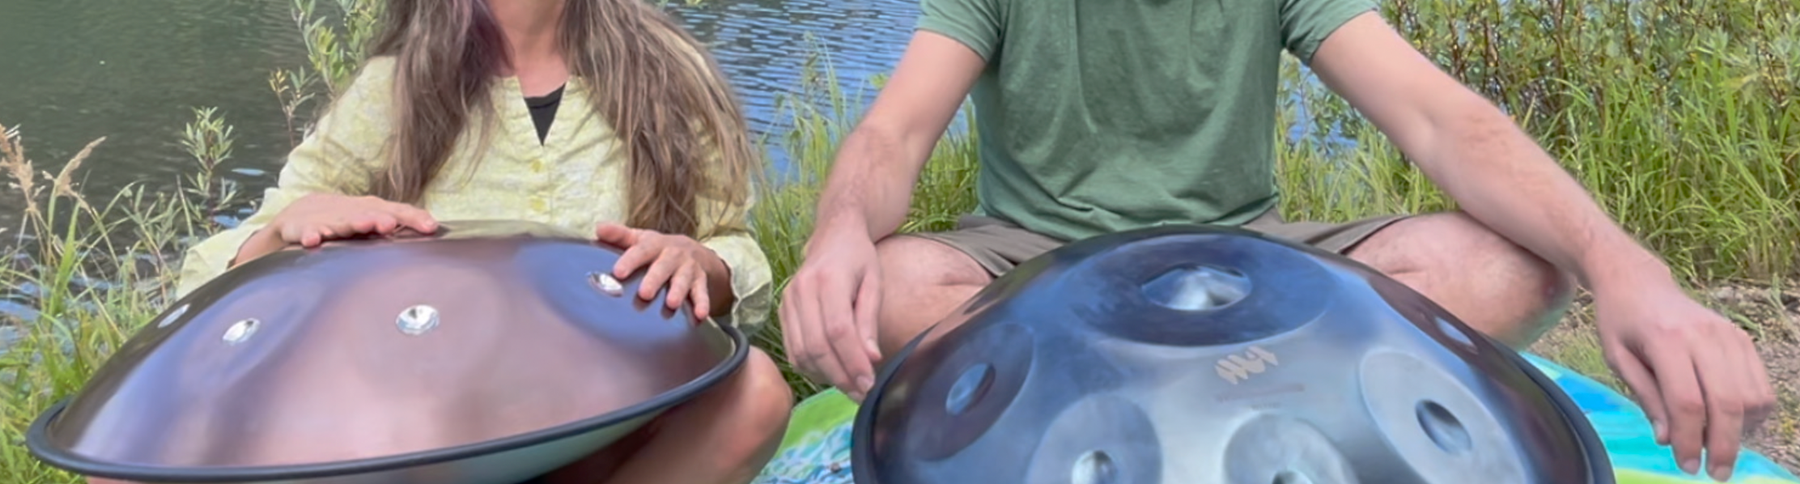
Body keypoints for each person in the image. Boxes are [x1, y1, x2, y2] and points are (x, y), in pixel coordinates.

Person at [778, 0, 1776, 481]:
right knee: (899, 283)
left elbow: (1438, 119)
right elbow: (892, 131)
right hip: (1040, 257)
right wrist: (833, 238)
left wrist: (1625, 267)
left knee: (1511, 266)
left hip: (1246, 255)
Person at [160, 1, 792, 483]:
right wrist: (283, 227)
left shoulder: (673, 73)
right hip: (425, 434)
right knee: (140, 456)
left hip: (620, 413)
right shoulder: (392, 89)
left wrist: (700, 262)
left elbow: (729, 243)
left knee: (755, 392)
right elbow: (220, 274)